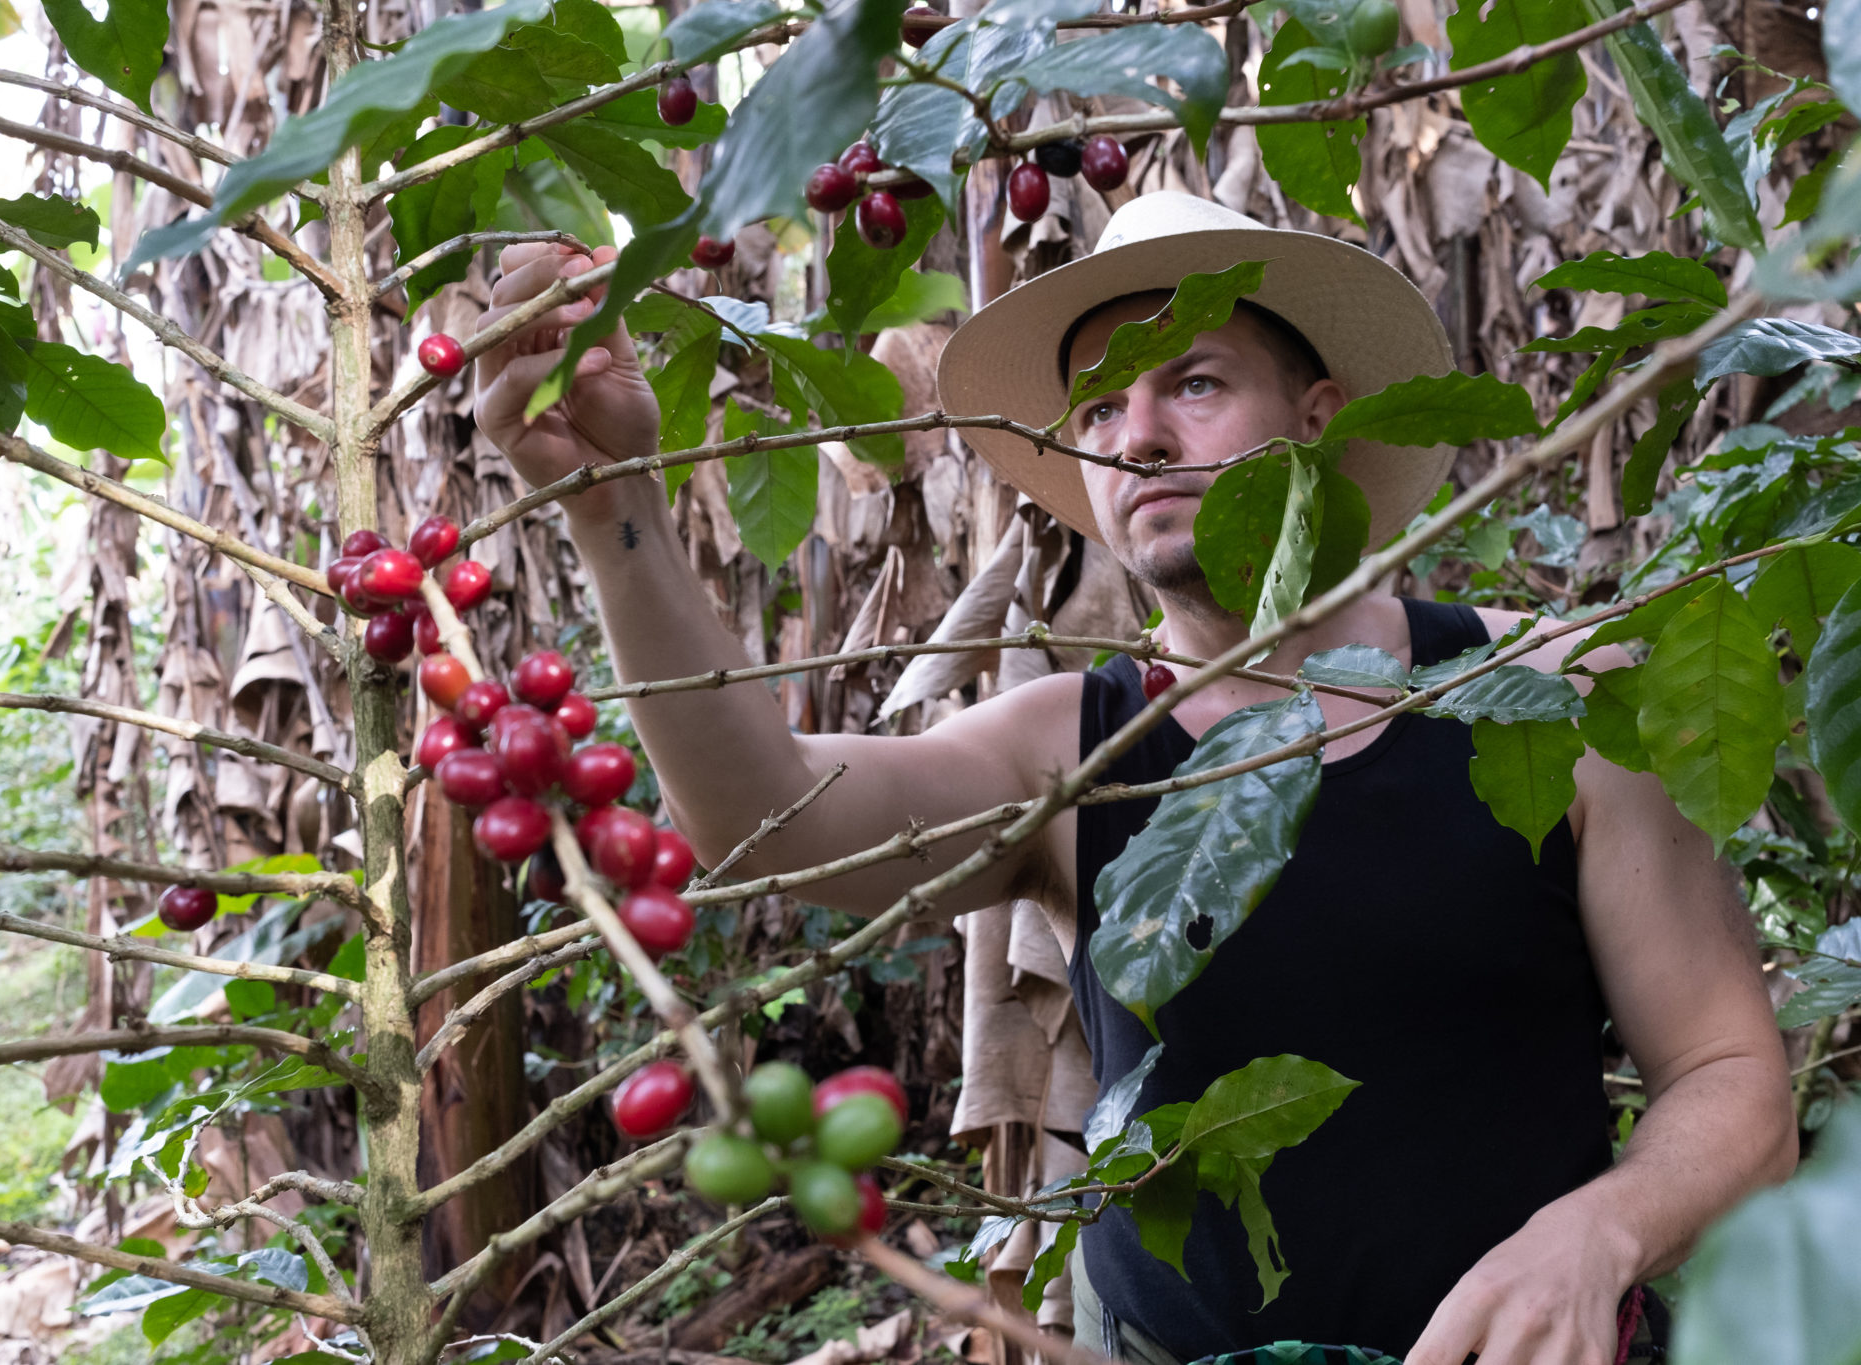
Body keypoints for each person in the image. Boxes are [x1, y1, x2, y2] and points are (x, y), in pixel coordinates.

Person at [472, 191, 1797, 1365]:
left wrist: (1596, 1235)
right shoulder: (1073, 747)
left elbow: (1735, 1076)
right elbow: (774, 823)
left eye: (1194, 384)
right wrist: (613, 503)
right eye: (1102, 409)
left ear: (1320, 418)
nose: (1138, 437)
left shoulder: (1552, 697)